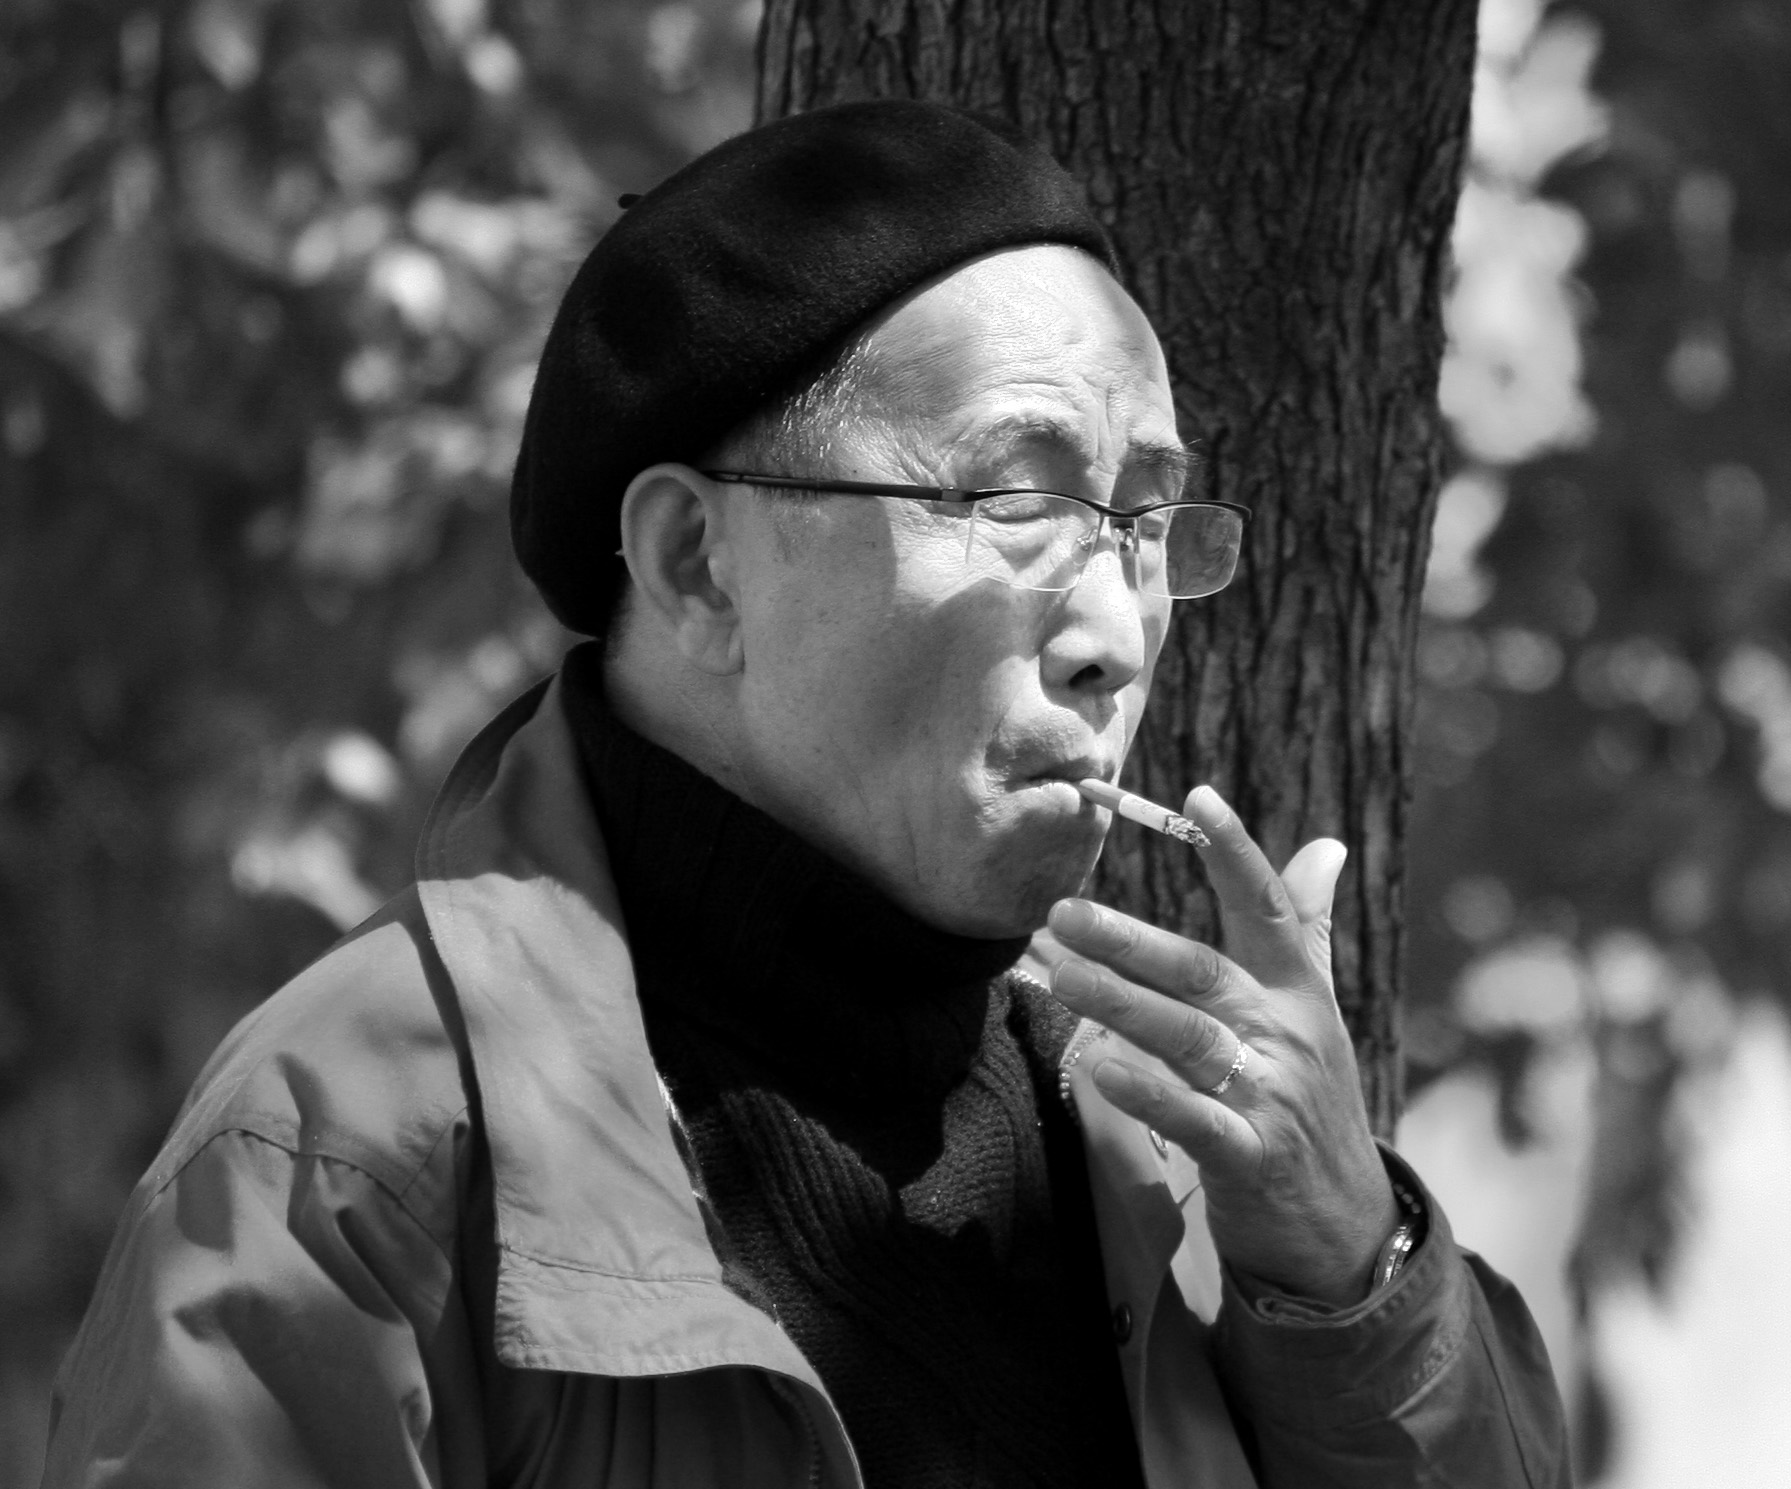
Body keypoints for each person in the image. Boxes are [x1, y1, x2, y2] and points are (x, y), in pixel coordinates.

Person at [41, 101, 1569, 1489]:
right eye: (1020, 499)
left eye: (1149, 522)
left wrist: (1351, 1274)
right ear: (701, 566)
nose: (1115, 633)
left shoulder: (1175, 1165)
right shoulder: (351, 1146)